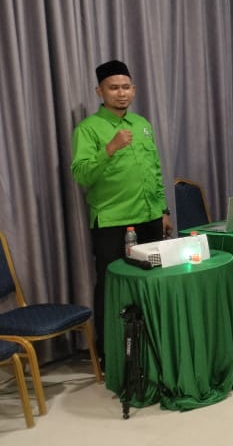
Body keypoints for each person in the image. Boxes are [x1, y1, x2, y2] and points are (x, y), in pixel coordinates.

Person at [71, 60, 173, 357]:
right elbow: (81, 175)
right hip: (112, 221)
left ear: (134, 90)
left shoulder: (142, 124)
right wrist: (110, 149)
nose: (121, 93)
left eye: (126, 87)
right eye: (113, 88)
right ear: (99, 92)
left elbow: (154, 170)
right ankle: (111, 352)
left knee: (152, 281)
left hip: (149, 217)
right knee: (111, 286)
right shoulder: (88, 129)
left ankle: (152, 346)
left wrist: (163, 210)